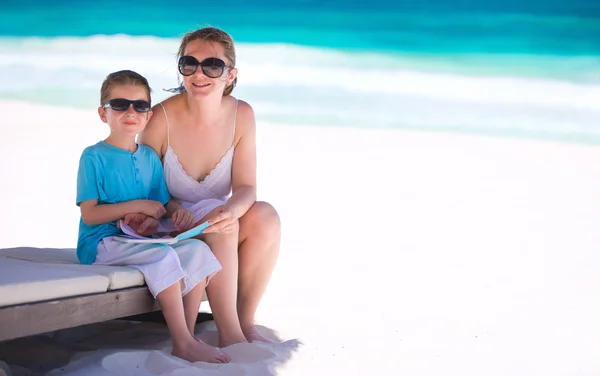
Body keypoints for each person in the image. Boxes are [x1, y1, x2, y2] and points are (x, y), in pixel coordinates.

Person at [76, 70, 230, 363]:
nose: (130, 112)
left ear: (148, 115)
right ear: (102, 113)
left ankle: (186, 332)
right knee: (161, 256)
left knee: (197, 249)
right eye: (119, 105)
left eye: (140, 106)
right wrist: (138, 206)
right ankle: (182, 341)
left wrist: (175, 214)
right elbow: (91, 214)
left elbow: (161, 204)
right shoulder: (93, 156)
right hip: (101, 243)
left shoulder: (148, 157)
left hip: (135, 240)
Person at [139, 27, 280, 347]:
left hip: (216, 222)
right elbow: (145, 191)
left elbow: (246, 187)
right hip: (167, 225)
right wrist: (177, 211)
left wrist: (232, 209)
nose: (199, 73)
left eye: (212, 65)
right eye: (189, 63)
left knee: (265, 216)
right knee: (222, 222)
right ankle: (229, 332)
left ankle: (245, 322)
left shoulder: (242, 114)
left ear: (231, 75)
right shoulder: (160, 117)